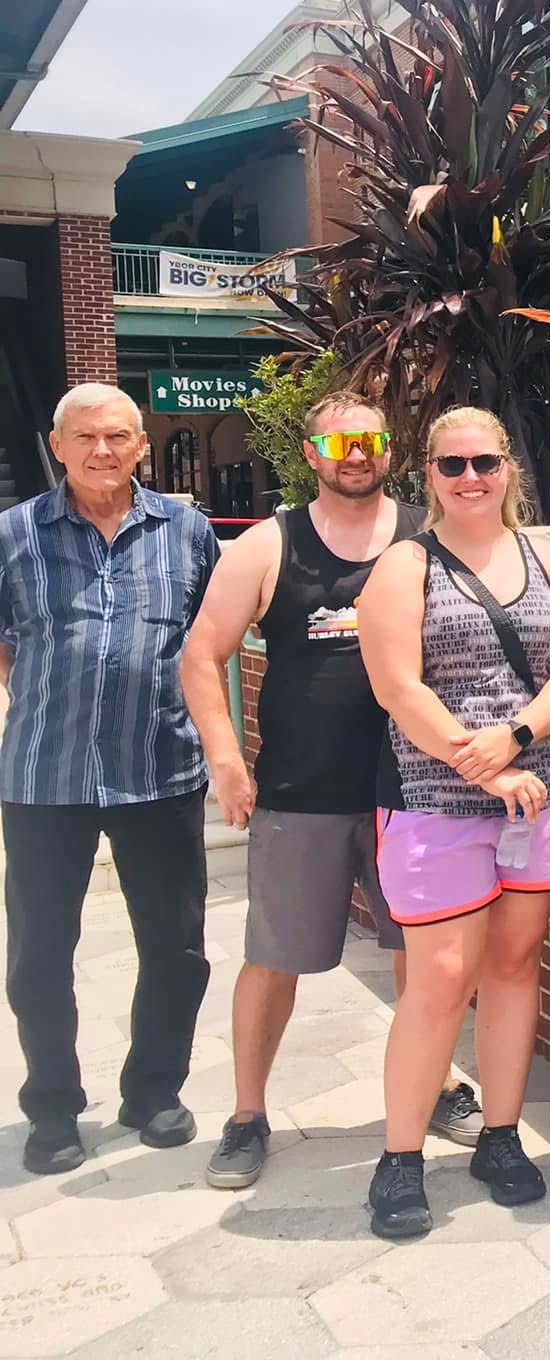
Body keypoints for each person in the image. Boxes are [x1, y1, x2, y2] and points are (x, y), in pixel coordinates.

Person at [180, 392, 482, 1191]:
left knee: (425, 957)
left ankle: (438, 1084)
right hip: (301, 791)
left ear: (390, 449)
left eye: (371, 441)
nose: (358, 456)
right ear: (311, 454)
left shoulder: (430, 534)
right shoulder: (269, 545)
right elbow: (201, 654)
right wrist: (226, 758)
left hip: (416, 791)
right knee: (273, 959)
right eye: (341, 444)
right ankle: (247, 1114)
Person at [355, 407, 550, 1238]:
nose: (470, 478)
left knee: (515, 963)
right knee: (441, 978)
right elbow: (398, 686)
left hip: (541, 790)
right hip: (435, 796)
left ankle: (500, 1136)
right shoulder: (405, 565)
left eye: (485, 462)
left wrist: (516, 739)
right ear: (428, 473)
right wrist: (483, 763)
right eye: (452, 464)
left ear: (508, 470)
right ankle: (399, 1159)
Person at [1, 383, 218, 1175]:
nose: (103, 450)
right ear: (57, 445)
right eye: (86, 437)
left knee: (175, 947)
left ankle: (154, 1090)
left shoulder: (187, 532)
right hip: (43, 774)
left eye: (119, 436)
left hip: (159, 766)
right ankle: (53, 1106)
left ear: (140, 446)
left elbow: (210, 639)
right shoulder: (13, 535)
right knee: (38, 955)